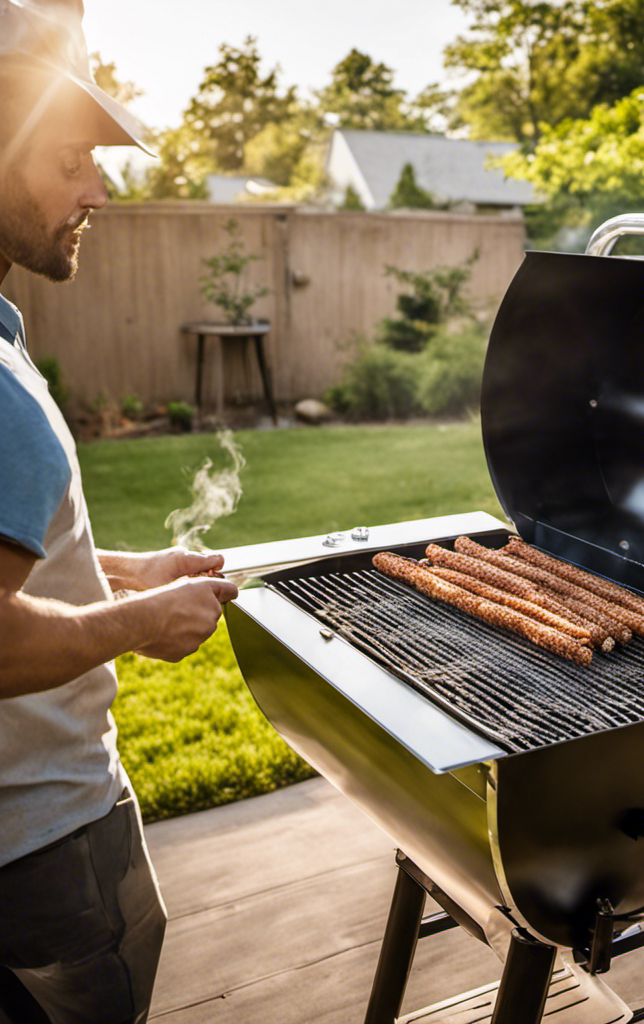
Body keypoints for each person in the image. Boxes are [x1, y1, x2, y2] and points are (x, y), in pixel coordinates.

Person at [0, 2, 239, 1021]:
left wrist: (126, 570)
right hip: (44, 849)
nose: (98, 191)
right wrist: (138, 624)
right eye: (67, 161)